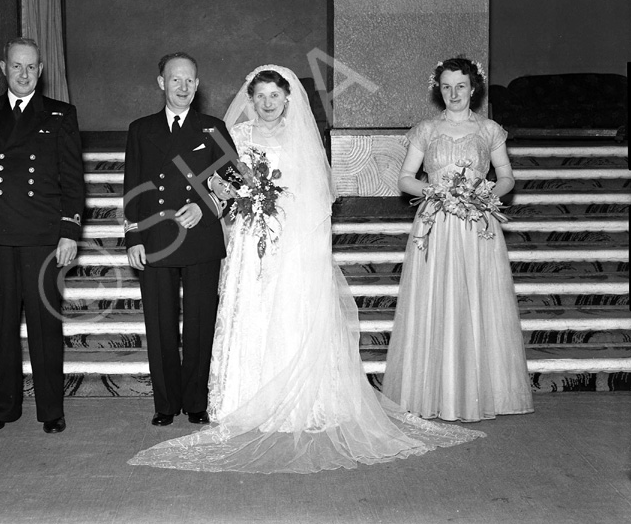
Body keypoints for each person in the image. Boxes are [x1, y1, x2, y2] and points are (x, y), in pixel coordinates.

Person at [128, 65, 484, 473]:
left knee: (289, 312)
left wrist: (302, 237)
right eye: (259, 96)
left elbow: (315, 196)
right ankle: (241, 397)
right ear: (250, 99)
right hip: (251, 237)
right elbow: (220, 183)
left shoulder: (300, 139)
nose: (266, 103)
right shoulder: (235, 136)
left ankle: (298, 396)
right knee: (251, 310)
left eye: (274, 96)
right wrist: (241, 201)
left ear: (287, 100)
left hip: (291, 240)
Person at [382, 57, 534, 421]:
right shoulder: (426, 130)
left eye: (460, 86)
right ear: (439, 89)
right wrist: (435, 192)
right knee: (435, 296)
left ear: (473, 87)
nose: (454, 93)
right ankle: (431, 391)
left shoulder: (489, 130)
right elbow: (404, 178)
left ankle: (482, 392)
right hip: (435, 221)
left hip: (477, 222)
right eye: (446, 86)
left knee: (479, 298)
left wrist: (485, 195)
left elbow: (508, 176)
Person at [0, 37, 85, 434]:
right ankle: (3, 408)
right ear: (3, 68)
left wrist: (70, 231)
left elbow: (73, 180)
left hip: (43, 235)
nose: (24, 74)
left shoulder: (61, 115)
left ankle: (51, 410)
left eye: (31, 67)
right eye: (16, 66)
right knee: (3, 325)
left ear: (41, 70)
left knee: (45, 327)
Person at [123, 52, 237, 427]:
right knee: (160, 324)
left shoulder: (212, 127)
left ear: (197, 84)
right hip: (155, 238)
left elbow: (235, 182)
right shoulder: (141, 129)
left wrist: (206, 207)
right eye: (176, 80)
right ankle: (166, 403)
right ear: (161, 83)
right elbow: (133, 187)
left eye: (190, 80)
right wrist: (133, 237)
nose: (183, 87)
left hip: (200, 236)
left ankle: (196, 401)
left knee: (200, 323)